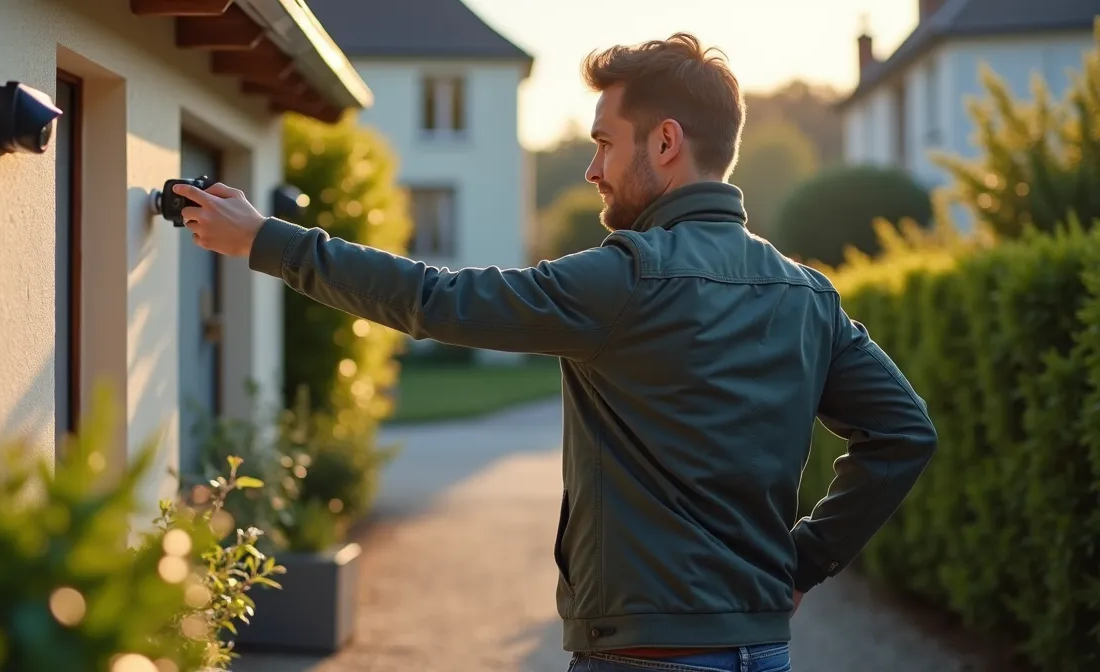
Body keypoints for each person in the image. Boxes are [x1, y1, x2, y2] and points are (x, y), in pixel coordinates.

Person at [172, 32, 938, 672]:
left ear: (666, 142)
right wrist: (804, 561)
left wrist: (265, 240)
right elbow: (905, 433)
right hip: (763, 652)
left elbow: (437, 299)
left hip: (642, 657)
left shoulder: (627, 279)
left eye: (605, 142)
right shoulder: (807, 295)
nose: (592, 168)